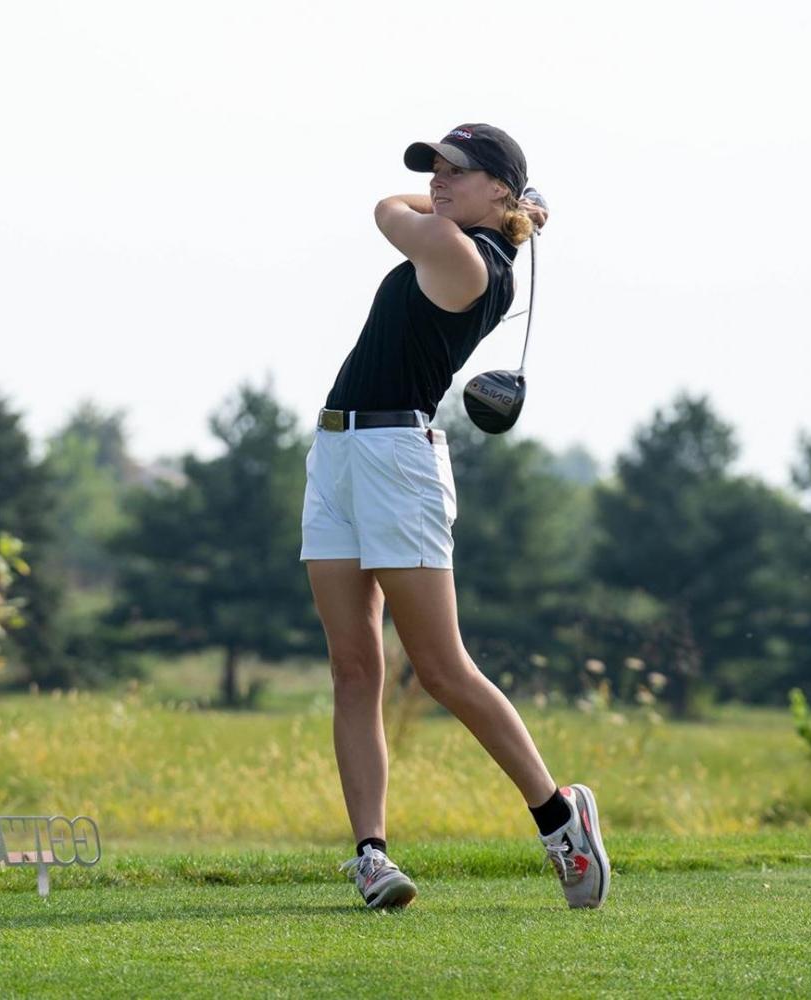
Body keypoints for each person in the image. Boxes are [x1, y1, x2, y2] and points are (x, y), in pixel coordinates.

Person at [300, 123, 610, 910]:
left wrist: (512, 217)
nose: (436, 182)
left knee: (439, 667)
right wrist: (519, 212)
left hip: (397, 461)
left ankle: (558, 816)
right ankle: (371, 854)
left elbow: (383, 208)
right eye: (432, 169)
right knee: (353, 667)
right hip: (337, 452)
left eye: (456, 171)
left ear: (500, 189)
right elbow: (417, 206)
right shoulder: (472, 240)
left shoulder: (463, 258)